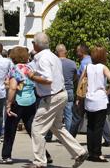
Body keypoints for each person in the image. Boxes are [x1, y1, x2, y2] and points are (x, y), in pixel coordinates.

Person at [27, 33, 88, 168]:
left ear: (36, 44)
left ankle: (39, 162)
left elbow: (48, 79)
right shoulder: (52, 57)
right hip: (60, 94)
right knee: (57, 127)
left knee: (37, 129)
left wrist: (32, 77)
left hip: (51, 96)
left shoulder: (43, 58)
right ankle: (79, 151)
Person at [0, 47, 52, 165]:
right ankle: (45, 155)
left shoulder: (15, 69)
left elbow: (12, 87)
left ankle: (6, 156)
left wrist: (8, 103)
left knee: (10, 130)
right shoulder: (30, 68)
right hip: (31, 101)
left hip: (18, 102)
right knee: (33, 130)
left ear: (13, 57)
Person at [79, 46, 110, 162]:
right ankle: (97, 153)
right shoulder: (103, 67)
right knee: (98, 127)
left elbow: (81, 81)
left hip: (89, 99)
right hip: (100, 99)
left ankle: (91, 152)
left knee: (90, 126)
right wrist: (108, 91)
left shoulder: (87, 67)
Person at [70, 44, 91, 137]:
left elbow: (83, 80)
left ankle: (70, 137)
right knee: (95, 116)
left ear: (81, 52)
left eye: (78, 51)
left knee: (77, 115)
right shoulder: (91, 60)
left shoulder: (84, 63)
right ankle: (107, 138)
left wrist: (79, 95)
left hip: (84, 93)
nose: (76, 52)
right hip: (91, 92)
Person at [55, 44, 77, 133]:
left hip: (56, 90)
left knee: (54, 114)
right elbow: (75, 77)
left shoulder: (53, 63)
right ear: (66, 52)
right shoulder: (72, 63)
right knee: (68, 114)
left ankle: (49, 135)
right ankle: (68, 136)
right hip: (69, 89)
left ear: (56, 52)